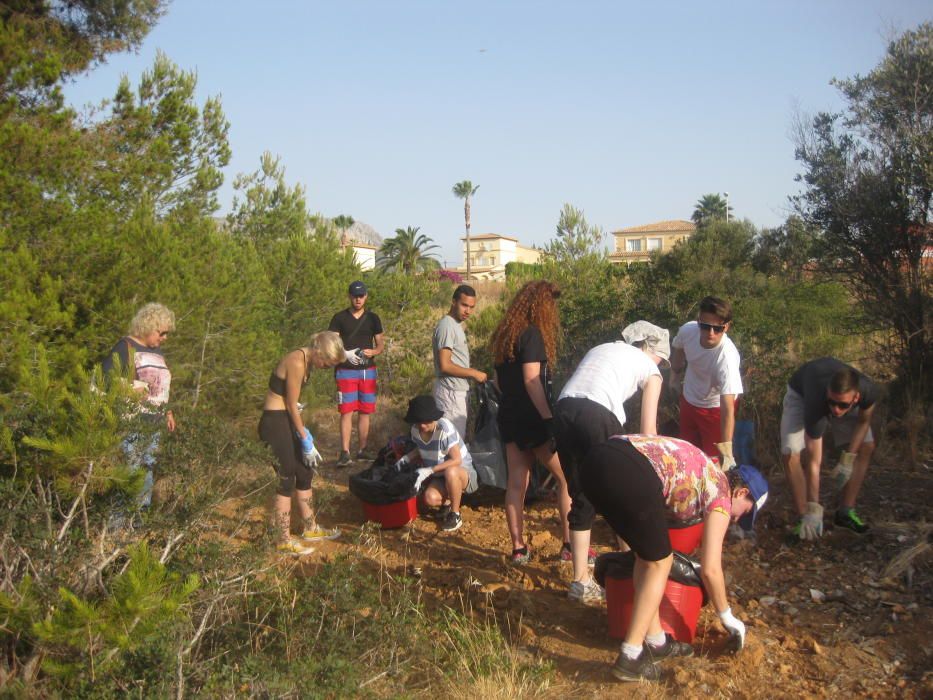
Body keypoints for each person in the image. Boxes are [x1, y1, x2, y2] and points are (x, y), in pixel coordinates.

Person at [578, 435, 768, 682]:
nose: (736, 520)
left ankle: (656, 641)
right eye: (745, 512)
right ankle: (631, 656)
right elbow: (710, 569)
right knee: (661, 562)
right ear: (741, 492)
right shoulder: (722, 494)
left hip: (595, 462)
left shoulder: (706, 467)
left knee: (647, 558)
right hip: (628, 469)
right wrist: (727, 616)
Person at [554, 321, 670, 603]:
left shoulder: (602, 348)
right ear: (651, 349)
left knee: (581, 496)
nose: (660, 365)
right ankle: (634, 569)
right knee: (622, 496)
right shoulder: (650, 369)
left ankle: (580, 581)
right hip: (598, 415)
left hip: (563, 410)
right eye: (662, 360)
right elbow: (648, 431)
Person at [490, 280, 571, 564]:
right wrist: (548, 419)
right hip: (533, 417)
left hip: (509, 415)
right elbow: (532, 380)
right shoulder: (532, 334)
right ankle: (570, 545)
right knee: (567, 479)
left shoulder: (505, 335)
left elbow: (498, 382)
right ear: (541, 305)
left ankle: (518, 548)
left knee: (516, 483)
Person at [259, 331, 346, 555]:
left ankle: (310, 528)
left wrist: (301, 430)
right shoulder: (297, 361)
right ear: (318, 352)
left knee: (305, 471)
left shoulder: (309, 363)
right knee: (286, 474)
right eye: (327, 362)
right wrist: (304, 436)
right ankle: (283, 540)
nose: (326, 367)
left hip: (286, 419)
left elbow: (292, 402)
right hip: (274, 421)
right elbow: (289, 403)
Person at [780, 357, 879, 539]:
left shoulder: (868, 391)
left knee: (867, 446)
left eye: (842, 405)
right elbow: (814, 460)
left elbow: (863, 422)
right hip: (801, 394)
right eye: (833, 403)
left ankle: (845, 512)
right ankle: (806, 519)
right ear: (828, 393)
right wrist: (814, 508)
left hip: (837, 396)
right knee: (789, 452)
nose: (836, 410)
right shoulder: (817, 402)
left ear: (856, 397)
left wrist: (848, 459)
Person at [102, 303, 177, 519]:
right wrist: (131, 389)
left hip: (153, 424)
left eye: (166, 333)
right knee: (129, 475)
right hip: (132, 424)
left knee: (146, 476)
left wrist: (167, 411)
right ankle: (116, 529)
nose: (164, 338)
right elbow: (106, 381)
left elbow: (161, 385)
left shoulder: (157, 352)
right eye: (161, 332)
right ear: (147, 326)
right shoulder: (124, 347)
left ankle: (136, 527)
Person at [669, 296, 743, 467]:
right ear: (698, 321)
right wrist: (674, 376)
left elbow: (727, 406)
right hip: (690, 399)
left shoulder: (727, 358)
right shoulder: (688, 331)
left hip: (715, 409)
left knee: (713, 463)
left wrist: (726, 450)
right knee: (688, 453)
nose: (710, 333)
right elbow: (678, 348)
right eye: (705, 326)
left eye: (717, 329)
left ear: (727, 327)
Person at [395, 395, 479, 532]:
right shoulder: (415, 430)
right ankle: (448, 501)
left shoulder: (444, 429)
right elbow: (420, 448)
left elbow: (456, 460)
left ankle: (455, 514)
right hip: (440, 475)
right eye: (418, 421)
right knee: (429, 498)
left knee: (451, 471)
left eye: (426, 421)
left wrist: (429, 470)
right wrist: (406, 458)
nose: (422, 425)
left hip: (462, 471)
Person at [328, 280, 385, 467]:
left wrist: (373, 352)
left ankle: (362, 450)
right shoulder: (338, 318)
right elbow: (332, 344)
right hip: (345, 371)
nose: (358, 299)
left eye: (361, 296)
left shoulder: (373, 318)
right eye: (355, 296)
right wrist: (345, 354)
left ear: (366, 296)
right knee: (346, 412)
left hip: (367, 371)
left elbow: (380, 344)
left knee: (365, 412)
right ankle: (344, 452)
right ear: (349, 296)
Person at [432, 284, 487, 439]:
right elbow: (445, 365)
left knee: (452, 443)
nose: (468, 311)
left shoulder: (455, 325)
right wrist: (473, 373)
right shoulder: (447, 326)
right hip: (450, 394)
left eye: (471, 307)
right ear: (453, 302)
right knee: (452, 445)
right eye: (464, 305)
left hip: (456, 393)